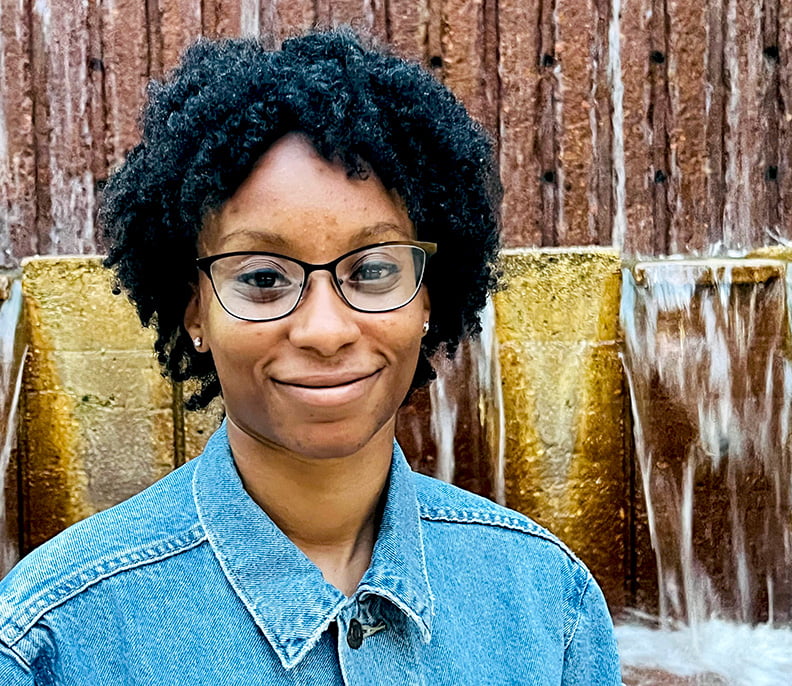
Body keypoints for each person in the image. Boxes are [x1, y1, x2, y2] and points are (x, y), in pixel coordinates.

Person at [0, 28, 620, 684]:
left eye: (373, 270)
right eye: (264, 278)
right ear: (195, 312)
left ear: (428, 299)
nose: (325, 330)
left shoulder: (548, 599)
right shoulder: (49, 639)